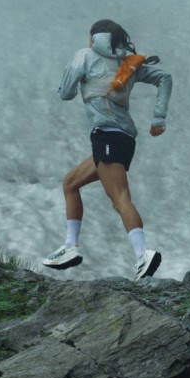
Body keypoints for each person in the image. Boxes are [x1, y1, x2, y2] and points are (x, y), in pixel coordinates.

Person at [43, 19, 173, 280]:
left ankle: (142, 255)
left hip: (106, 134)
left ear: (94, 38)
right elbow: (164, 78)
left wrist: (77, 79)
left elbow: (66, 93)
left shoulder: (84, 55)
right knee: (70, 182)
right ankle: (70, 247)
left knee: (120, 197)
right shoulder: (129, 63)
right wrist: (158, 116)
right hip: (123, 137)